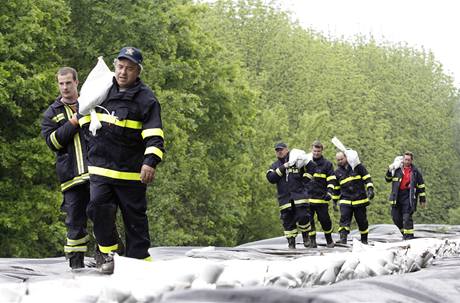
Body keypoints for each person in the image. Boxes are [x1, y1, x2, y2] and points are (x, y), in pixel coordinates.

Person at [79, 47, 164, 274]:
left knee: (135, 220)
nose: (123, 72)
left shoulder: (147, 99)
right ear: (114, 66)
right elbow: (84, 114)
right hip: (100, 168)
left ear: (138, 71)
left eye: (129, 68)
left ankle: (139, 265)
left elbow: (155, 136)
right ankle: (109, 251)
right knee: (97, 209)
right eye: (120, 66)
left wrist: (150, 162)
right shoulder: (102, 89)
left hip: (130, 173)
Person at [41, 67, 90, 269]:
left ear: (76, 83)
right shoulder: (51, 113)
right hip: (71, 179)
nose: (64, 87)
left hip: (96, 174)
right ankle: (75, 267)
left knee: (103, 215)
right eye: (61, 83)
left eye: (68, 83)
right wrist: (74, 121)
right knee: (74, 225)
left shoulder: (91, 104)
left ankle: (109, 257)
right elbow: (53, 142)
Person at [266, 142, 316, 249]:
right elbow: (271, 178)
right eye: (277, 150)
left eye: (281, 149)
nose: (279, 152)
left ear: (287, 149)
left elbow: (312, 166)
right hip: (285, 199)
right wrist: (283, 167)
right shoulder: (275, 165)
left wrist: (305, 179)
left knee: (303, 217)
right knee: (288, 222)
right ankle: (291, 244)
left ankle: (305, 236)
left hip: (299, 196)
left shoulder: (297, 160)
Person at [332, 151, 374, 244]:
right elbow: (336, 188)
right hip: (345, 200)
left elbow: (367, 178)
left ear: (346, 157)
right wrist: (334, 200)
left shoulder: (358, 167)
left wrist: (370, 189)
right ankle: (343, 239)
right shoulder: (337, 172)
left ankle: (364, 240)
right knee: (344, 219)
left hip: (359, 199)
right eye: (338, 160)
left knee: (362, 221)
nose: (340, 161)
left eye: (341, 159)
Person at [385, 151, 426, 240]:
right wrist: (389, 170)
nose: (406, 161)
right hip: (397, 197)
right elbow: (387, 179)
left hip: (409, 196)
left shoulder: (415, 172)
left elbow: (421, 186)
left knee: (407, 218)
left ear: (411, 161)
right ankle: (404, 233)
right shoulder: (397, 170)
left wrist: (422, 200)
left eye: (408, 160)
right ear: (402, 159)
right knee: (396, 218)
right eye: (405, 159)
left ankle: (409, 237)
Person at [307, 140, 336, 248]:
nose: (316, 153)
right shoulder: (306, 163)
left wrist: (330, 192)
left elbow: (332, 180)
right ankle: (312, 241)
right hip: (308, 198)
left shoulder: (327, 164)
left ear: (322, 151)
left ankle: (329, 240)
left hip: (322, 199)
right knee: (308, 221)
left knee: (325, 221)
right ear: (311, 149)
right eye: (314, 151)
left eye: (318, 151)